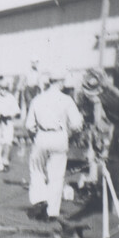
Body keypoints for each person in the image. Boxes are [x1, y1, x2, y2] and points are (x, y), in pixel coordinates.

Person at [25, 70, 84, 221]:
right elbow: (77, 124)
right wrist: (69, 134)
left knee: (37, 170)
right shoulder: (67, 100)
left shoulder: (37, 99)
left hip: (42, 136)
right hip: (60, 137)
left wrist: (35, 136)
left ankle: (39, 200)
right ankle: (52, 212)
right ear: (61, 82)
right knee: (57, 176)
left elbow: (29, 125)